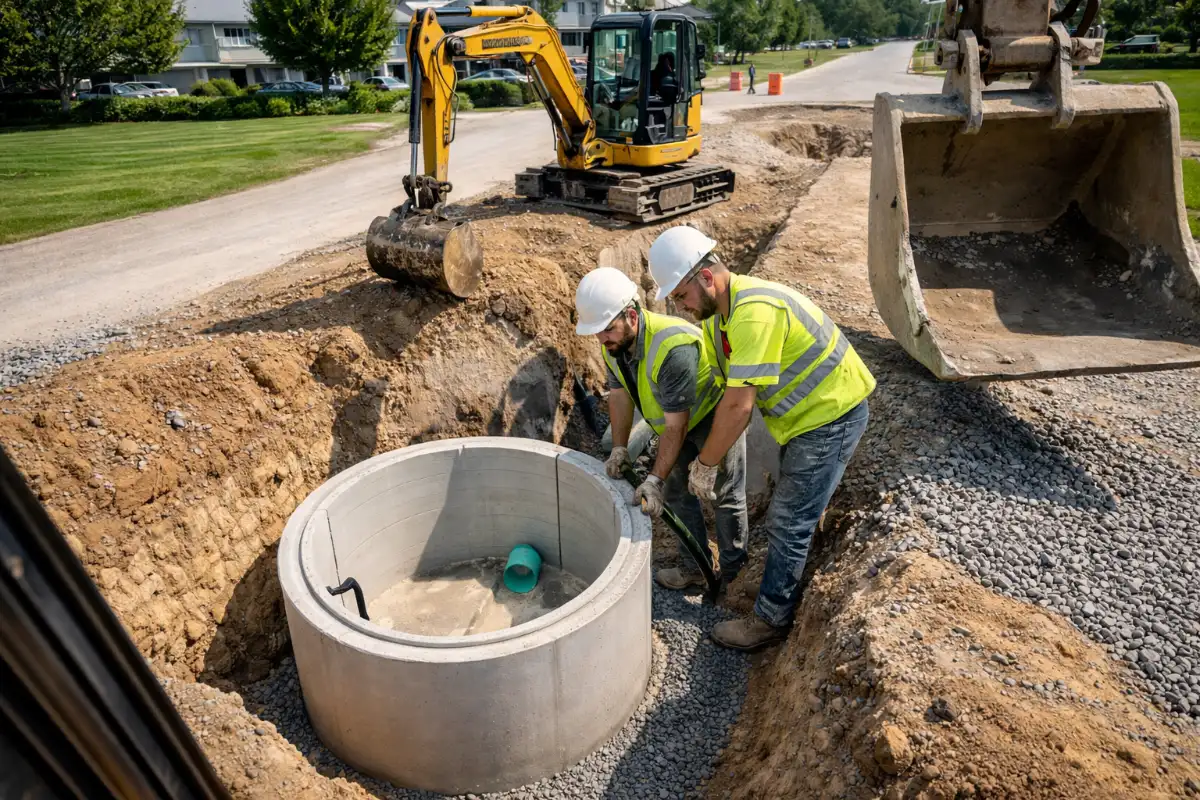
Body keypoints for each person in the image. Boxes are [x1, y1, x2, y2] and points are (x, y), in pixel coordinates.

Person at [648, 226, 875, 651]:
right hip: (804, 418)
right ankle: (778, 584)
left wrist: (706, 464)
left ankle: (770, 620)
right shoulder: (720, 320)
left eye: (681, 295)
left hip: (832, 413)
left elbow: (739, 407)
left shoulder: (753, 312)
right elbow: (724, 392)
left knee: (790, 520)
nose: (680, 307)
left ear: (706, 278)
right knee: (792, 513)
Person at [575, 267, 749, 590]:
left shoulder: (672, 348)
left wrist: (653, 479)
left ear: (631, 315)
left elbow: (676, 426)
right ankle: (696, 568)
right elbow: (620, 395)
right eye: (597, 332)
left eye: (607, 330)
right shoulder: (613, 342)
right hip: (675, 420)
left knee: (723, 494)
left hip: (714, 414)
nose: (601, 339)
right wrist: (619, 447)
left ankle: (735, 576)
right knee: (678, 491)